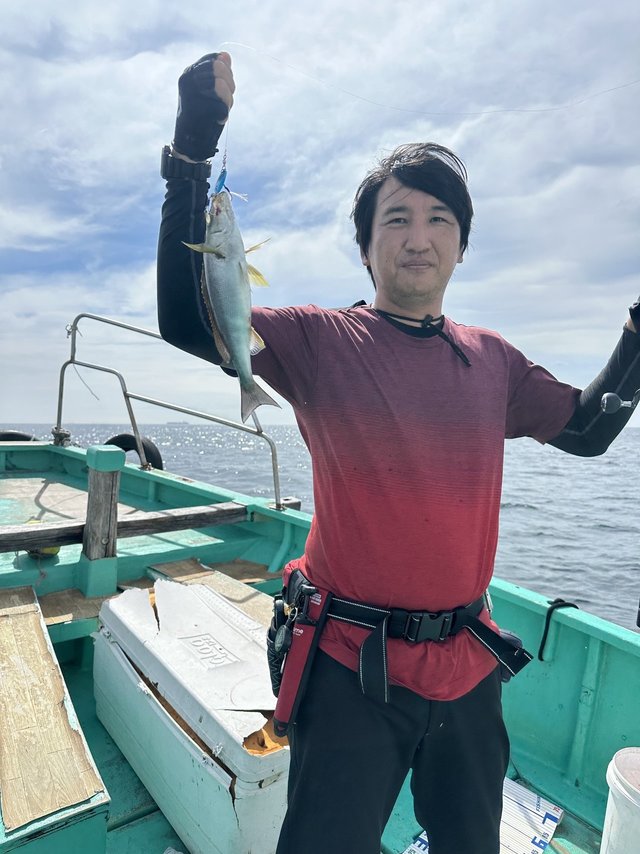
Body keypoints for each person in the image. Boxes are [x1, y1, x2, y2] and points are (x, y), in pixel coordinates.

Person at [157, 53, 640, 854]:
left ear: (462, 244)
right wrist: (191, 151)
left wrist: (635, 333)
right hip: (350, 666)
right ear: (365, 245)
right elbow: (185, 318)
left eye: (439, 220)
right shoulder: (318, 341)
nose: (419, 239)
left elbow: (589, 431)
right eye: (397, 219)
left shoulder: (494, 360)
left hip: (469, 667)